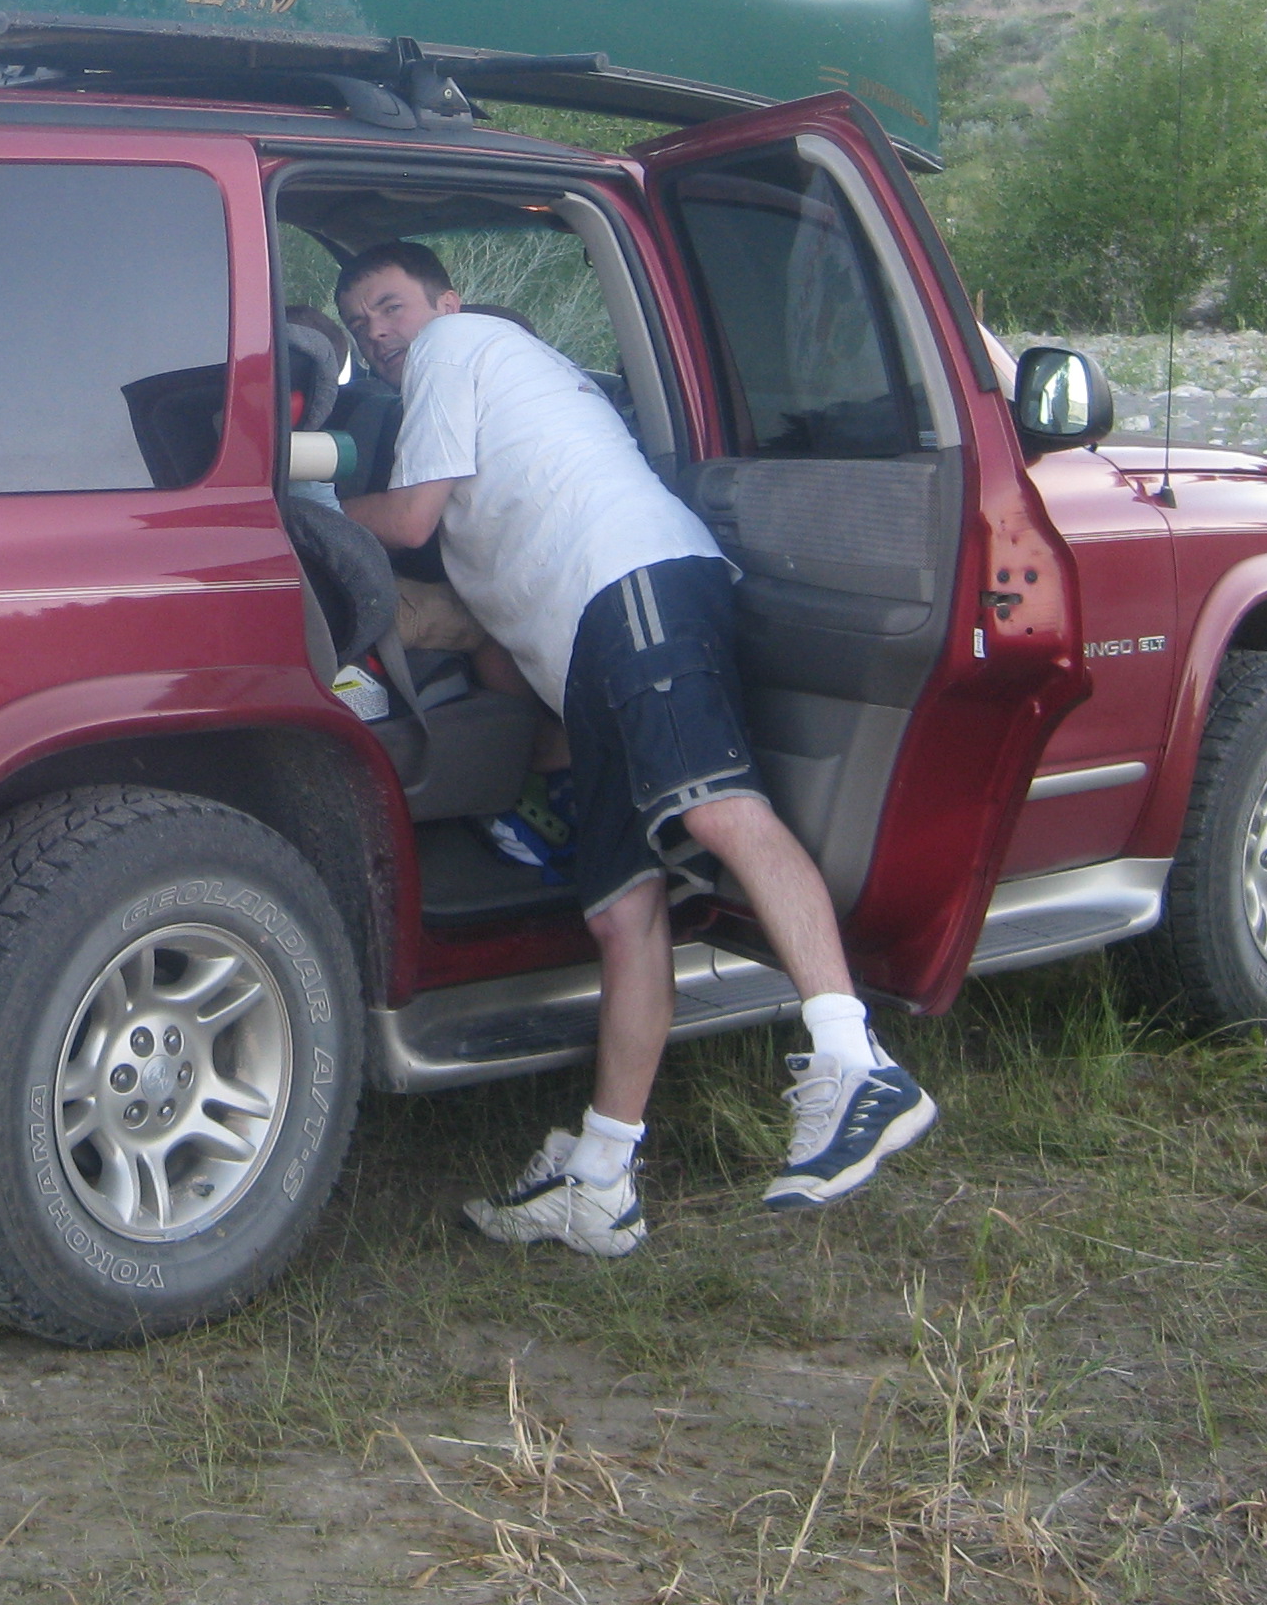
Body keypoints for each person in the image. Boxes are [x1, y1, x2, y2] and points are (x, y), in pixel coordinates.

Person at [332, 240, 935, 1253]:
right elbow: (488, 611)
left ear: (446, 300)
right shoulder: (489, 398)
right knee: (621, 911)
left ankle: (855, 1063)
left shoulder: (455, 350)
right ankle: (602, 1178)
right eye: (360, 327)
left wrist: (289, 502)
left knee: (718, 806)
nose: (379, 336)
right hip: (591, 644)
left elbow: (405, 520)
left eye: (389, 308)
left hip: (636, 582)